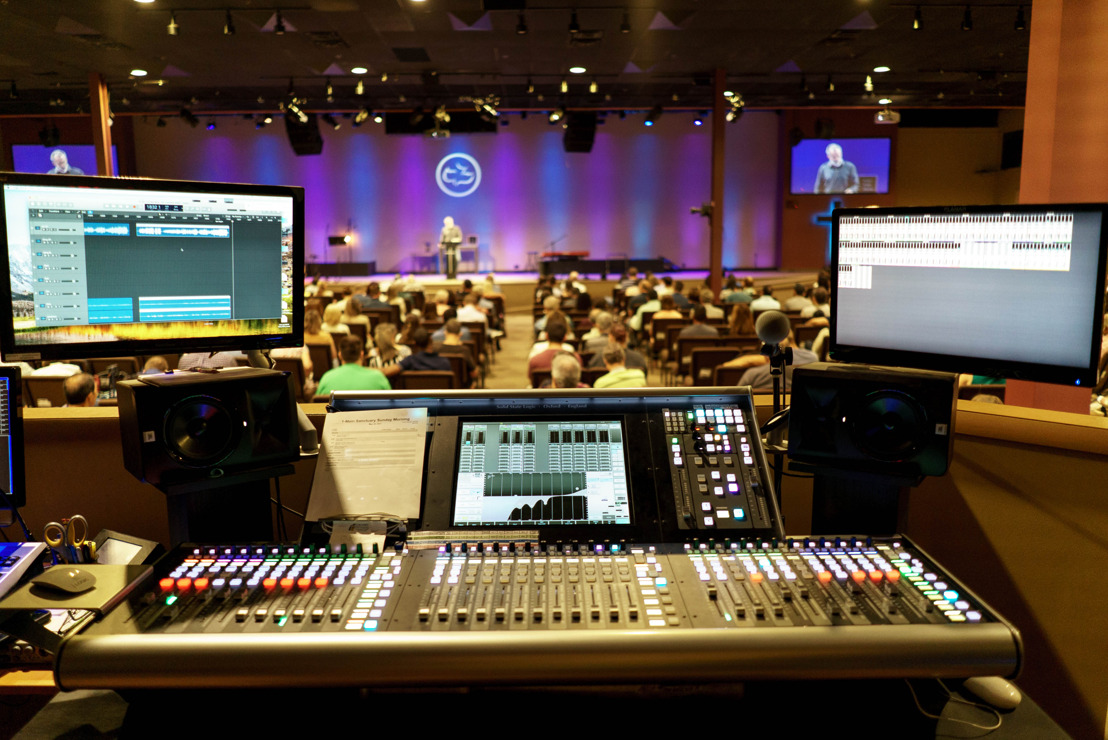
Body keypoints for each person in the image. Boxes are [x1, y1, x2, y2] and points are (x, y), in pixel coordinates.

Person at [316, 336, 390, 395]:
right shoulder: (379, 377)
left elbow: (317, 407)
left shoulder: (327, 378)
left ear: (340, 355)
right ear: (361, 355)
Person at [435, 319, 478, 388]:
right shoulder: (464, 350)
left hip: (442, 388)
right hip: (461, 390)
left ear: (445, 332)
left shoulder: (436, 349)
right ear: (460, 334)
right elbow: (474, 374)